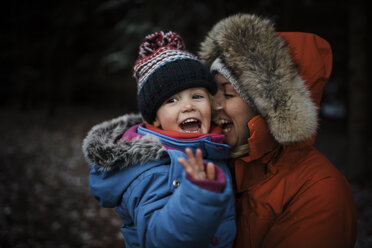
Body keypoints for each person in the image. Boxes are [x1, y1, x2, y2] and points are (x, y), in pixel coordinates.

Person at [198, 13, 358, 248]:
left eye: (228, 93)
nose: (214, 104)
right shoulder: (218, 165)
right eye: (213, 91)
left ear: (268, 106)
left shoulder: (320, 191)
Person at [82, 31, 236, 248]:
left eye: (197, 96)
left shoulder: (216, 146)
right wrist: (197, 197)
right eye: (172, 100)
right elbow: (161, 240)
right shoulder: (152, 171)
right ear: (155, 118)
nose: (188, 106)